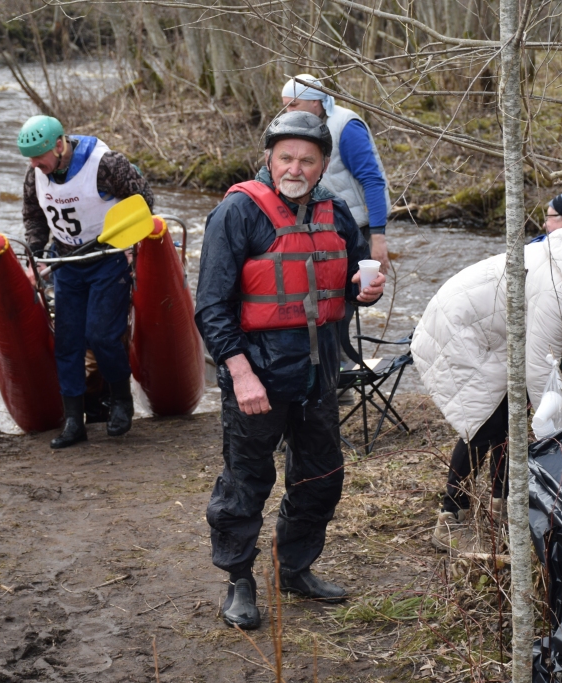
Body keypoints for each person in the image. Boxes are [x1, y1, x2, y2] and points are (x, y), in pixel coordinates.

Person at [196, 111, 386, 629]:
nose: (295, 168)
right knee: (245, 485)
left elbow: (346, 282)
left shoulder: (337, 212)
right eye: (286, 157)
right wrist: (241, 373)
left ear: (323, 164)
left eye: (307, 159)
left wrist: (363, 290)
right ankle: (239, 580)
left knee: (321, 478)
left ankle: (293, 567)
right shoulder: (237, 213)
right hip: (256, 377)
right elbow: (210, 308)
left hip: (319, 377)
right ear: (269, 159)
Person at [410, 218, 562, 551]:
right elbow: (540, 368)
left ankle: (503, 504)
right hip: (460, 327)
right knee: (484, 424)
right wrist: (560, 438)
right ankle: (450, 518)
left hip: (498, 331)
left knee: (511, 415)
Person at [18, 115, 154, 449]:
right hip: (67, 262)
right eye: (31, 159)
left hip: (107, 258)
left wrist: (124, 241)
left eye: (39, 156)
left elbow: (144, 199)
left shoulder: (105, 164)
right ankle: (72, 422)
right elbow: (34, 215)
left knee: (102, 335)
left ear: (59, 144)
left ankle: (121, 402)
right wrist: (36, 251)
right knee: (68, 341)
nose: (35, 164)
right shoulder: (34, 173)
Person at [281, 74, 392, 273]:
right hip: (320, 225)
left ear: (315, 102)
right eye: (285, 106)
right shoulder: (298, 127)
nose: (287, 112)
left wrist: (378, 237)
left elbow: (373, 181)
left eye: (293, 105)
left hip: (355, 229)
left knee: (350, 292)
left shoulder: (346, 127)